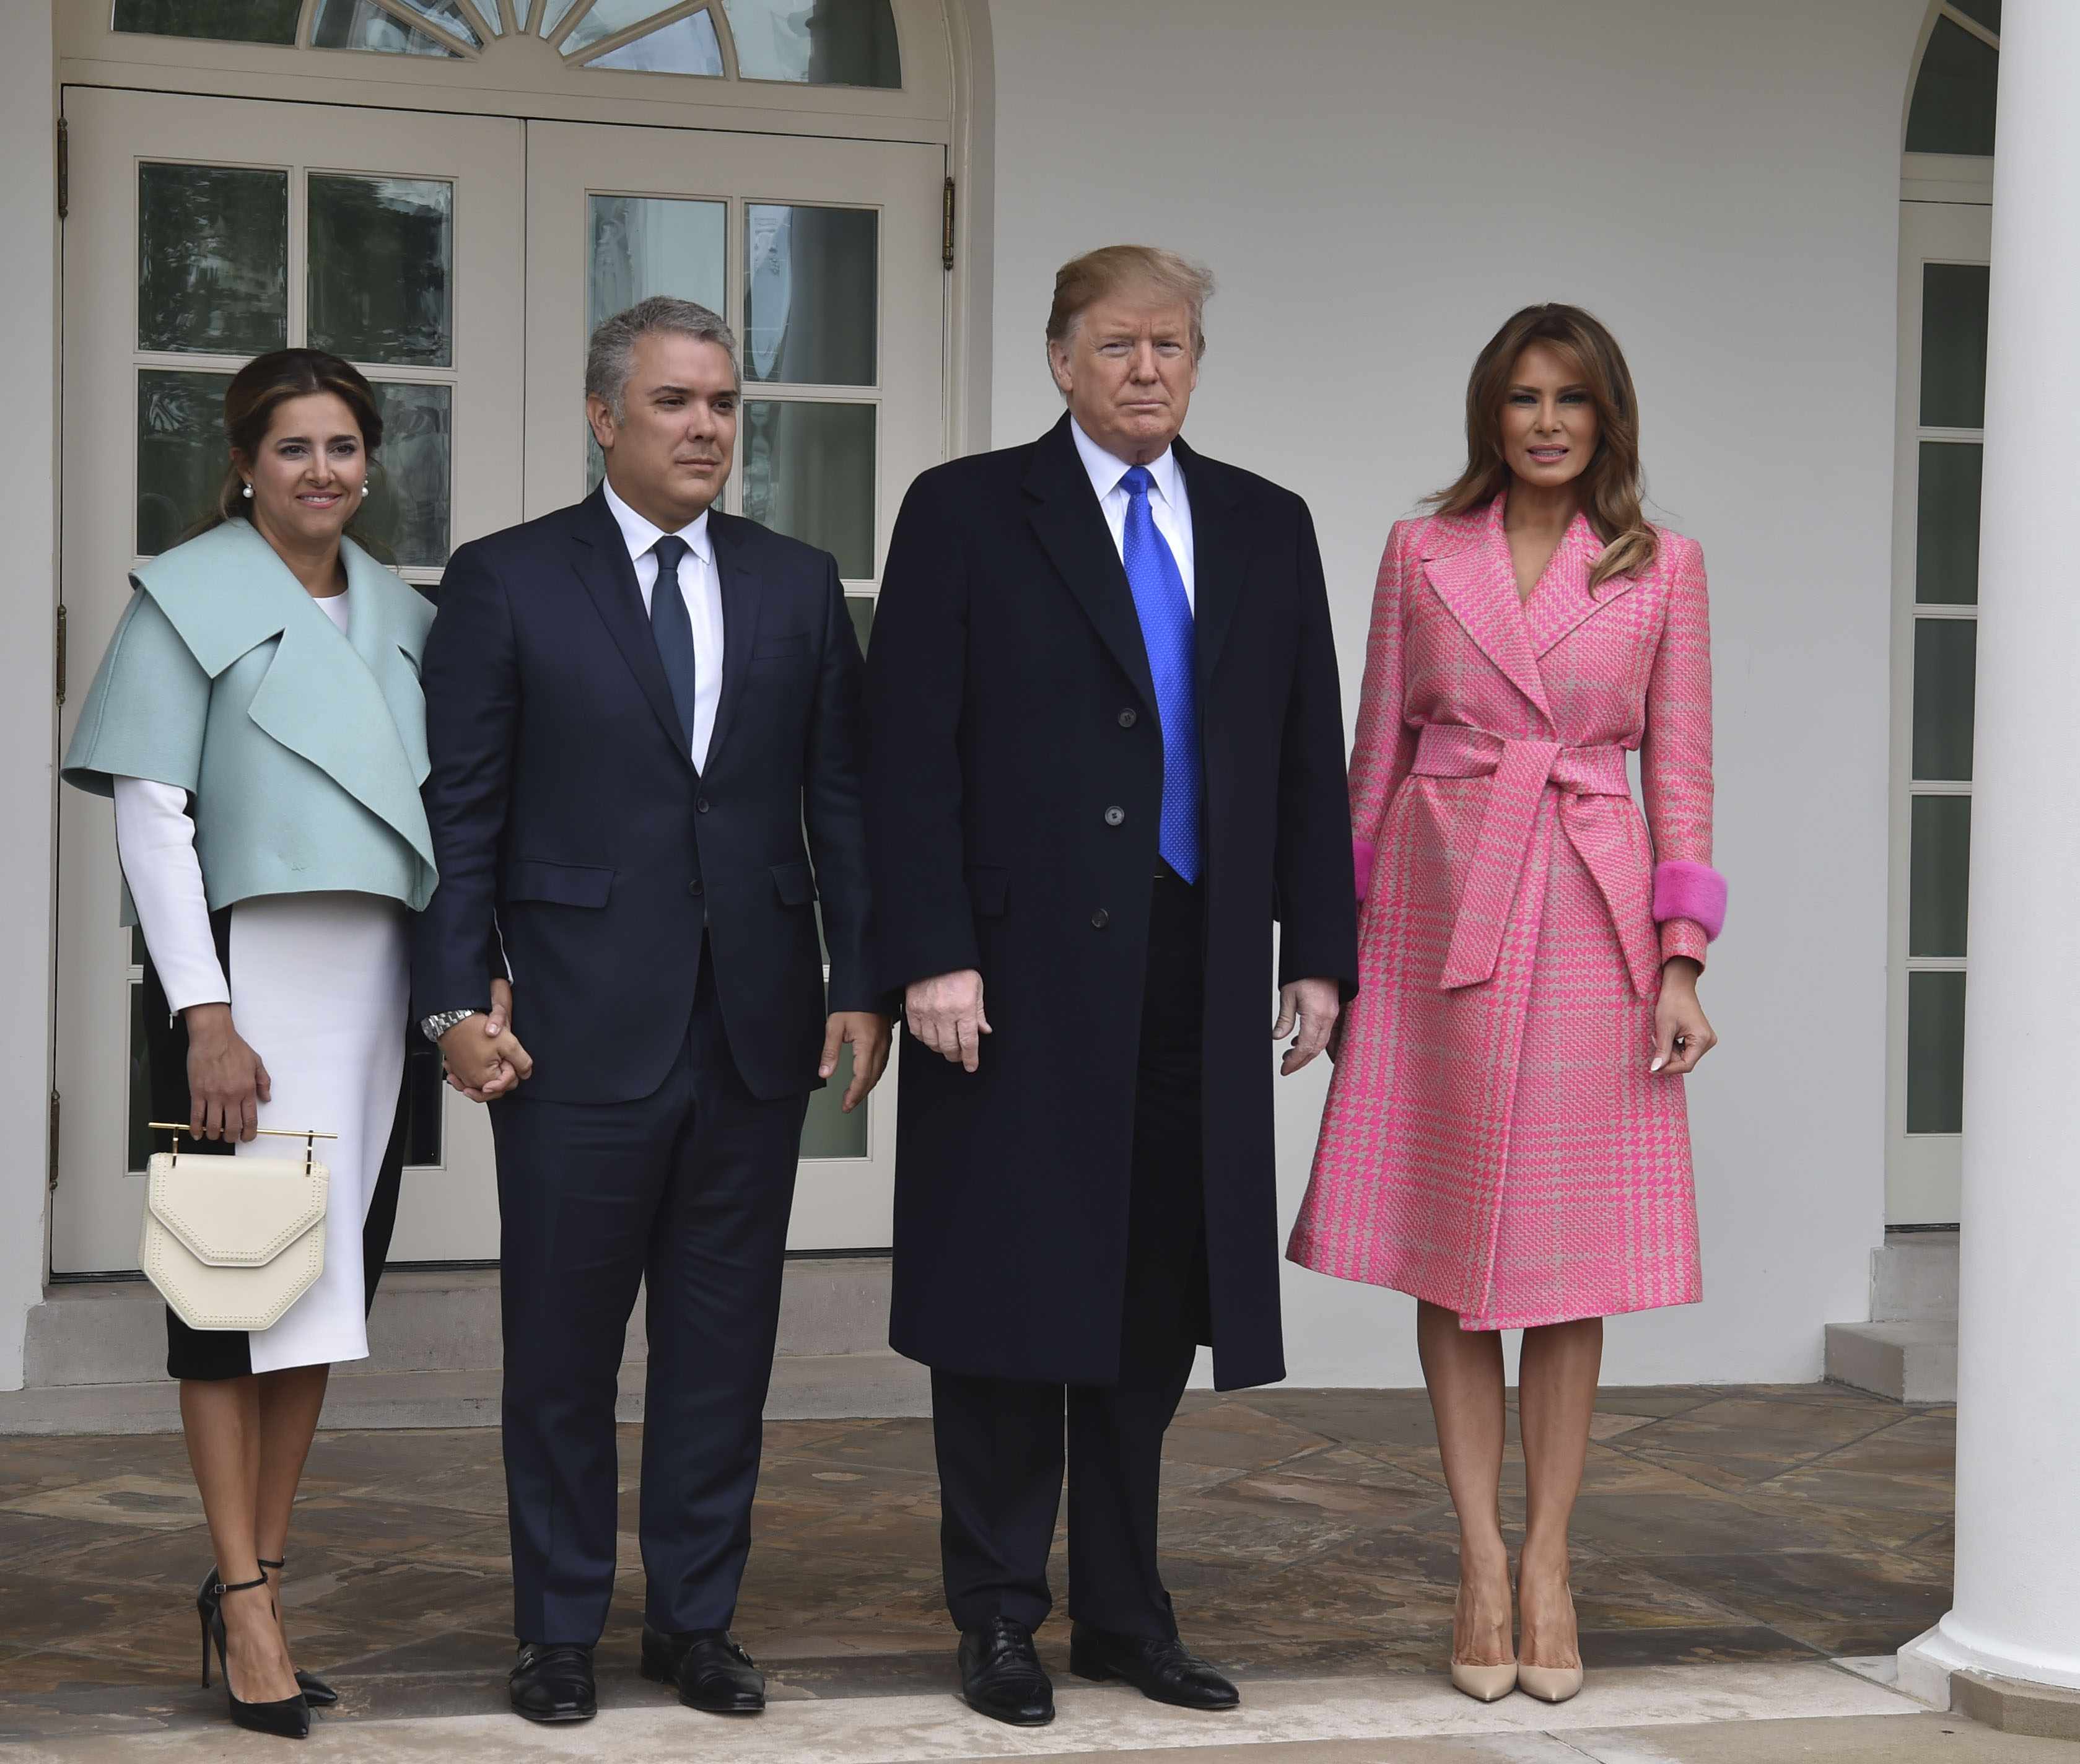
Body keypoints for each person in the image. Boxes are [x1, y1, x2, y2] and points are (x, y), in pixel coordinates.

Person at [863, 245, 1357, 1727]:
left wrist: (1316, 951)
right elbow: (906, 755)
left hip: (1194, 967)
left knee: (1153, 1299)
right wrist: (928, 952)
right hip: (1002, 977)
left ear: (1196, 362)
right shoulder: (963, 510)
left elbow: (1299, 758)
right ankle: (999, 1613)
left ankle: (1125, 1611)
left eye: (1171, 344)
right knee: (1011, 1292)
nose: (1146, 369)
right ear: (1059, 360)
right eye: (1117, 345)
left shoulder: (1266, 525)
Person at [411, 294, 888, 1725]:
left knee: (720, 1346)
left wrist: (858, 976)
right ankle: (556, 1625)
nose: (705, 428)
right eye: (676, 401)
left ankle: (697, 1619)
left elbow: (841, 802)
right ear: (603, 414)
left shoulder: (798, 584)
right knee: (559, 1348)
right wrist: (452, 999)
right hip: (569, 1024)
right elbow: (461, 813)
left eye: (724, 403)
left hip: (752, 1024)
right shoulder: (503, 581)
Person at [1289, 304, 1723, 1705]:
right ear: (1489, 413)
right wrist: (1335, 950)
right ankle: (1477, 1556)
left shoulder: (1661, 566)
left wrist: (1678, 959)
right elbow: (1372, 756)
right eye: (1523, 397)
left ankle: (1550, 1559)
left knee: (1565, 1256)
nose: (1545, 421)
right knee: (1451, 1243)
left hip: (1591, 913)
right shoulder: (1420, 554)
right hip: (1437, 909)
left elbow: (1682, 774)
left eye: (1572, 399)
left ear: (1607, 418)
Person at [63, 347, 463, 1739]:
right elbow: (151, 818)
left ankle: (263, 1581)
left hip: (370, 991)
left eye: (344, 446)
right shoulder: (185, 597)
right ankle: (238, 1597)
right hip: (244, 981)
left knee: (314, 1308)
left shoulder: (409, 618)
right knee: (228, 1312)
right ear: (244, 462)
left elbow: (447, 819)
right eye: (293, 447)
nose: (322, 471)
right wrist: (205, 1016)